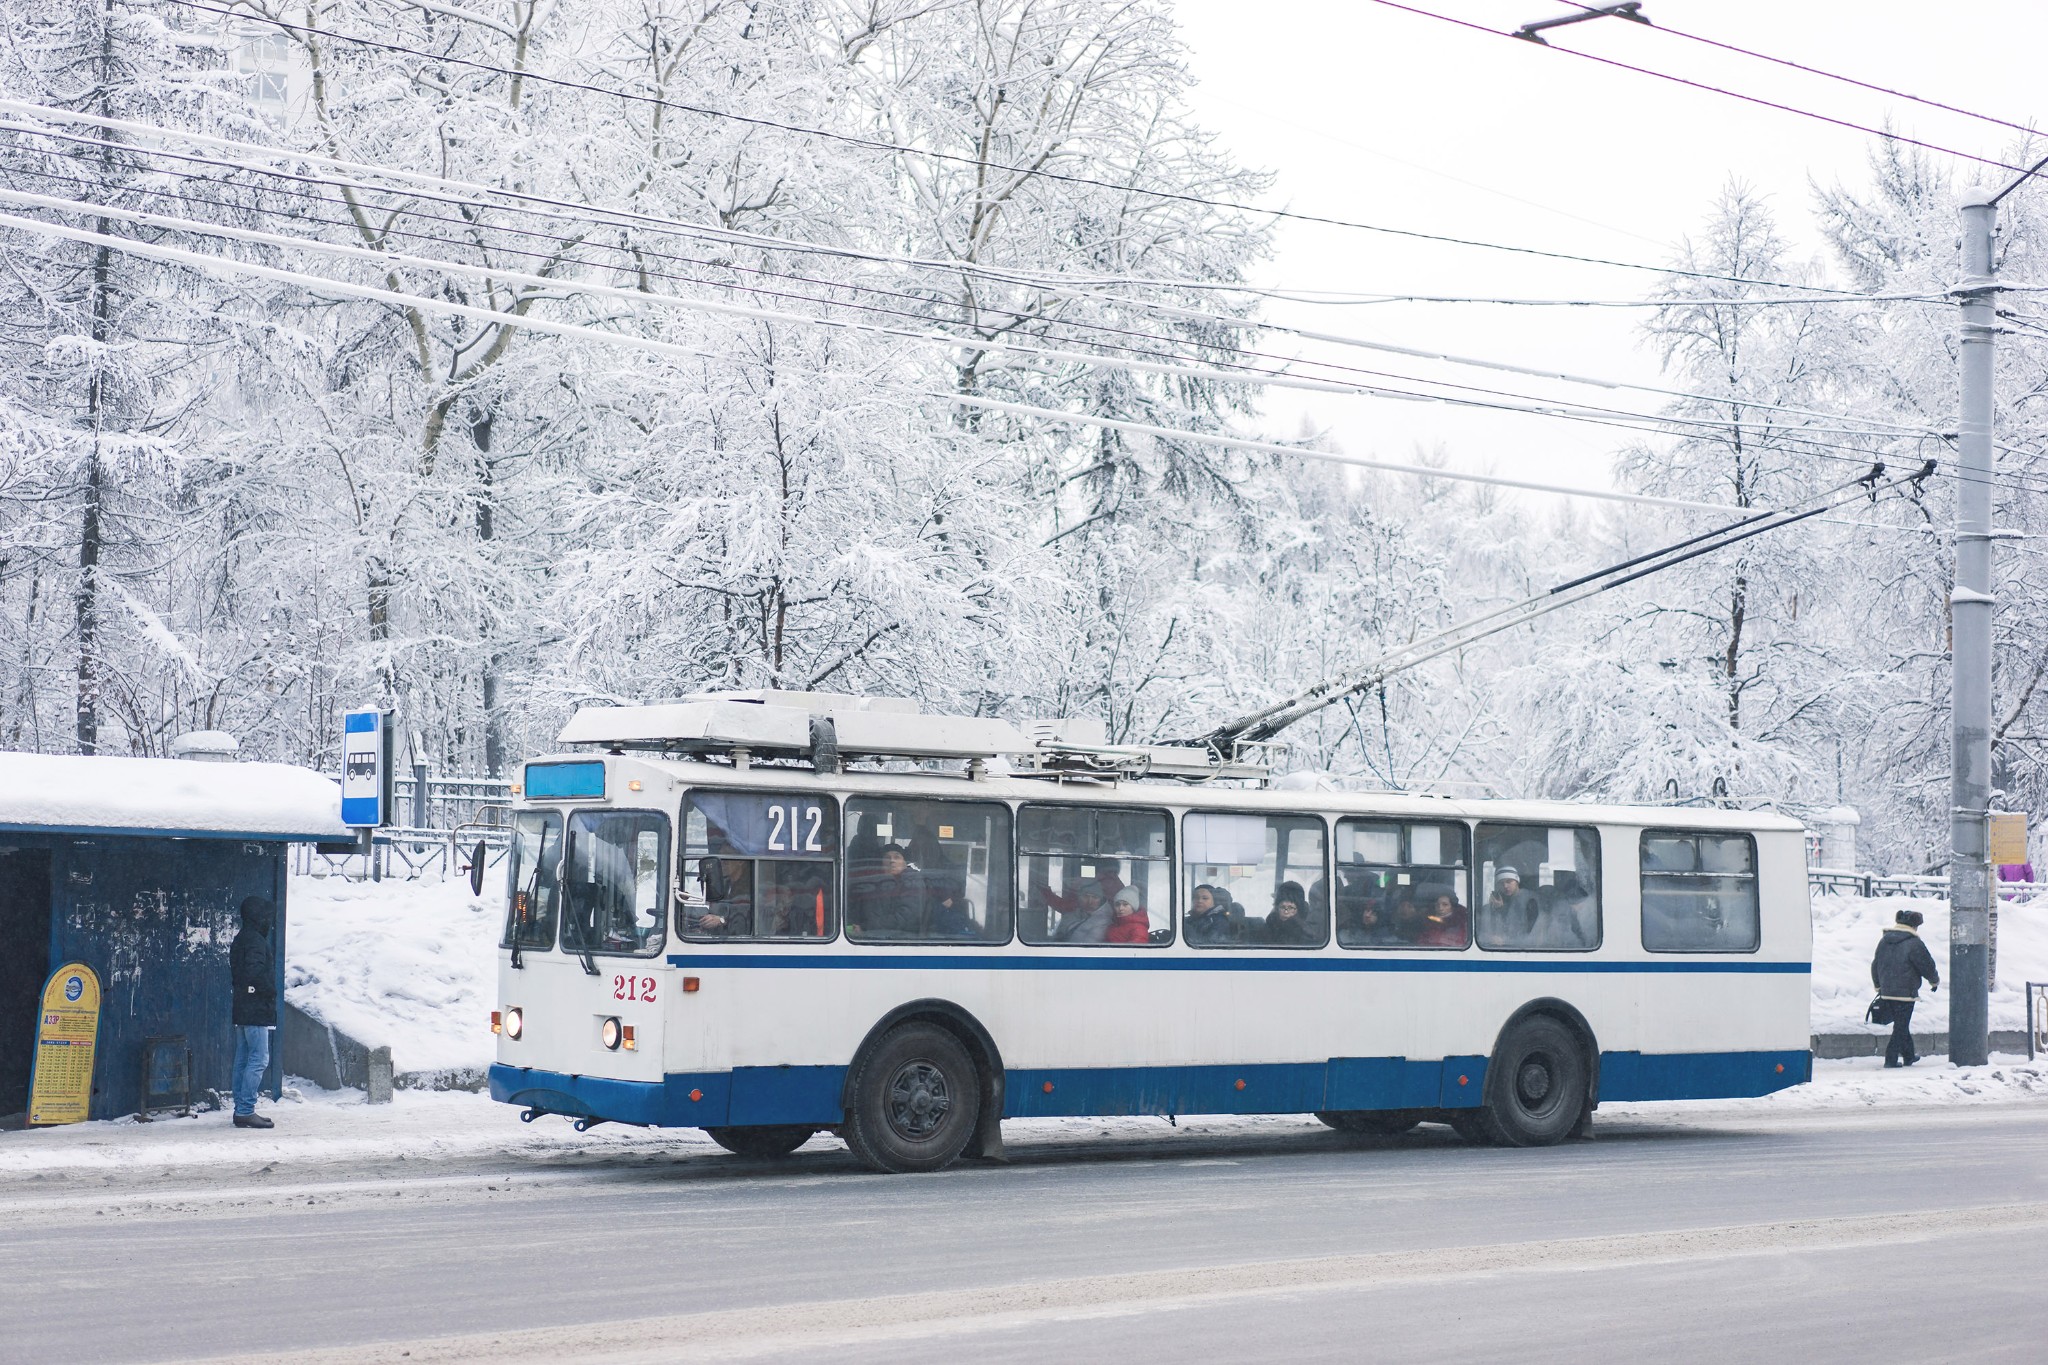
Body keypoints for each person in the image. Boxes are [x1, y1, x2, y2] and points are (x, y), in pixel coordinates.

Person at [229, 895, 278, 1130]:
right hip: (255, 1008)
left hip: (242, 1006)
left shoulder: (241, 939)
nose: (269, 920)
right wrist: (269, 991)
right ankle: (246, 1110)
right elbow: (255, 973)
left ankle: (240, 1108)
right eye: (267, 915)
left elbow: (240, 975)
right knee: (259, 1059)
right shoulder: (257, 942)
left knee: (243, 1058)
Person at [1871, 908, 1940, 1067]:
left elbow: (1876, 964)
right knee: (1901, 1026)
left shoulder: (1884, 940)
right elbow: (1926, 965)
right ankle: (1890, 1059)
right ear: (1914, 926)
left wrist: (1878, 985)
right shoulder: (1914, 943)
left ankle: (1909, 1056)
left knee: (1902, 1024)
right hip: (1905, 993)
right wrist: (1934, 981)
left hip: (1887, 991)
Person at [851, 843, 925, 937]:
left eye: (897, 857)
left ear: (905, 863)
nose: (892, 861)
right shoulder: (876, 883)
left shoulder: (912, 882)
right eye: (887, 857)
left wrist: (865, 927)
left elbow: (906, 918)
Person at [1486, 867, 1539, 943]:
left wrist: (1505, 941)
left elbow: (1526, 932)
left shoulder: (1528, 900)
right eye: (1501, 883)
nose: (1505, 886)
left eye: (1509, 881)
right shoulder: (1502, 900)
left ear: (1517, 881)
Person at [1054, 878, 1115, 942]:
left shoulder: (1104, 921)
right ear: (1079, 897)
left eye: (1095, 897)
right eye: (1086, 896)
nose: (1090, 901)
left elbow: (1089, 945)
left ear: (1101, 900)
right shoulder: (1073, 914)